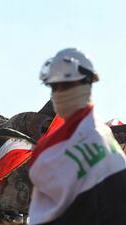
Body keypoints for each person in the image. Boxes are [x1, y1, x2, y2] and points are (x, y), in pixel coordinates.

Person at [28, 48, 126, 225]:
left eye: (66, 85)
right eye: (54, 86)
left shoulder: (100, 139)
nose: (59, 93)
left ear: (86, 84)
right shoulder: (46, 149)